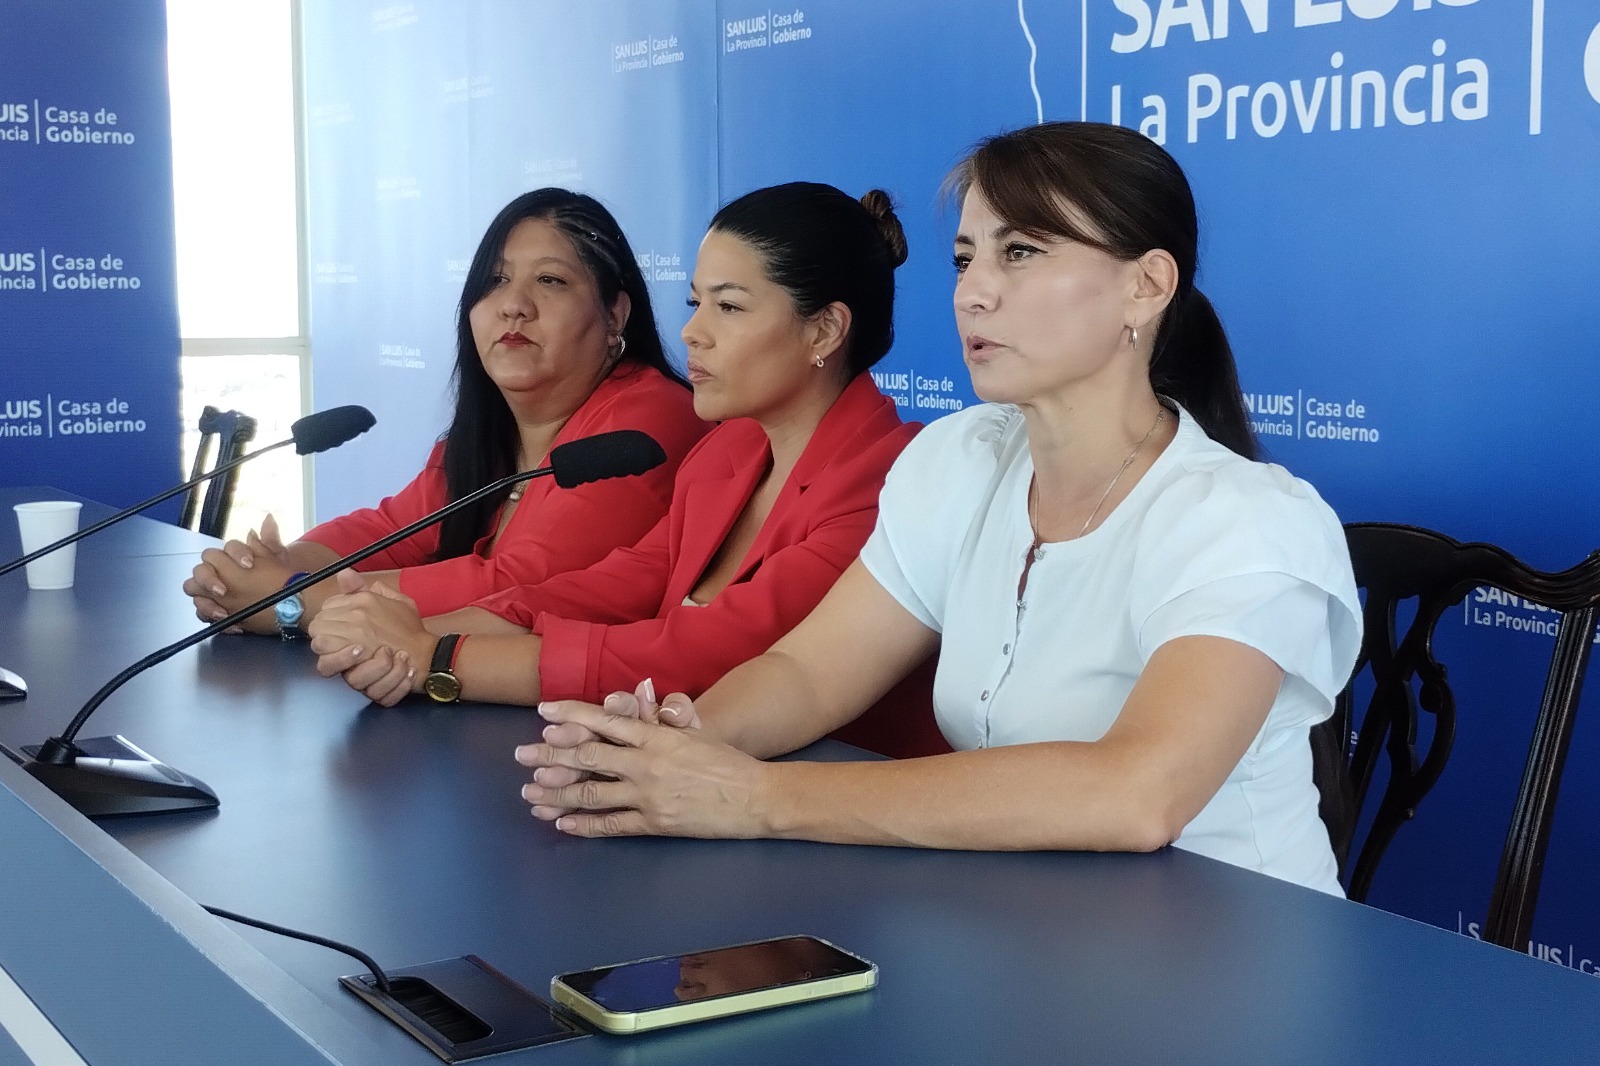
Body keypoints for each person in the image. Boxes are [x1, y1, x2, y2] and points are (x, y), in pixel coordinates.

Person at [514, 123, 1363, 895]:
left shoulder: (1247, 520)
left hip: (1228, 957)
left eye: (1021, 252)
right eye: (964, 260)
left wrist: (758, 796)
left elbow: (1139, 793)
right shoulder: (959, 461)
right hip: (1022, 928)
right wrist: (675, 744)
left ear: (1146, 285)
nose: (973, 293)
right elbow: (809, 674)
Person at [309, 182, 942, 758]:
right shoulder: (728, 451)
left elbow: (702, 654)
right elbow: (605, 589)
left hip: (839, 799)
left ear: (825, 330)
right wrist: (407, 635)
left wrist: (440, 657)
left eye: (728, 307)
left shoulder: (887, 479)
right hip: (697, 778)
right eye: (694, 302)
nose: (692, 332)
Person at [182, 189, 706, 636]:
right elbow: (391, 529)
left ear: (615, 313)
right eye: (495, 280)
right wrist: (267, 569)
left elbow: (520, 586)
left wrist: (290, 600)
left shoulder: (651, 419)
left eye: (550, 280)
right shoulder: (491, 432)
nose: (514, 304)